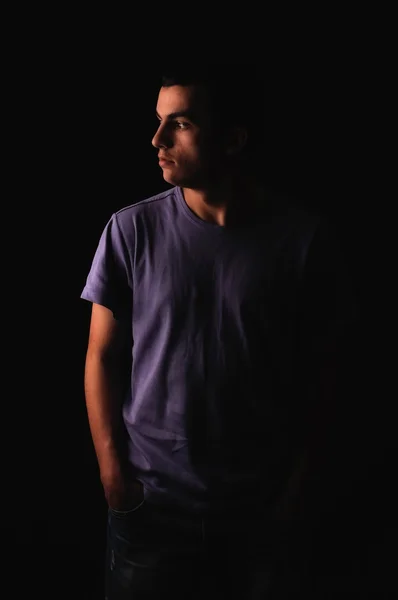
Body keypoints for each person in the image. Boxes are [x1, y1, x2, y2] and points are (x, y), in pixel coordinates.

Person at [81, 64, 357, 599]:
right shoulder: (130, 231)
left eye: (179, 123)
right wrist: (114, 478)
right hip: (152, 509)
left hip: (260, 513)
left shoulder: (303, 242)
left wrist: (297, 487)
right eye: (159, 122)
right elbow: (101, 356)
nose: (156, 139)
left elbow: (328, 374)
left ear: (232, 139)